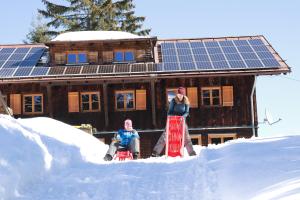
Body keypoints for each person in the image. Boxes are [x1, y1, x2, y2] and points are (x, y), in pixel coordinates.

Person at [152, 87, 196, 157]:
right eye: (178, 94)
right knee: (165, 135)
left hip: (182, 120)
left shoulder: (186, 101)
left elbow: (187, 112)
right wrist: (174, 117)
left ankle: (192, 153)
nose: (179, 96)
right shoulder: (173, 100)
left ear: (183, 95)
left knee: (186, 137)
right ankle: (156, 151)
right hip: (172, 120)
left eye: (181, 94)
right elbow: (170, 112)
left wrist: (182, 117)